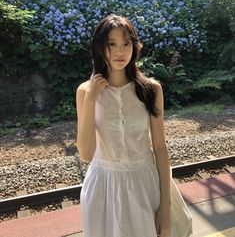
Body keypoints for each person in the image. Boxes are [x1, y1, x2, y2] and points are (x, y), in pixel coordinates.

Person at [76, 14, 186, 237]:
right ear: (100, 48)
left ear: (134, 47)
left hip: (145, 184)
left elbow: (161, 148)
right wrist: (90, 100)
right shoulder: (85, 92)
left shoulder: (151, 89)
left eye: (126, 44)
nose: (120, 51)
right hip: (103, 190)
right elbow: (87, 154)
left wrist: (166, 207)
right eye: (112, 44)